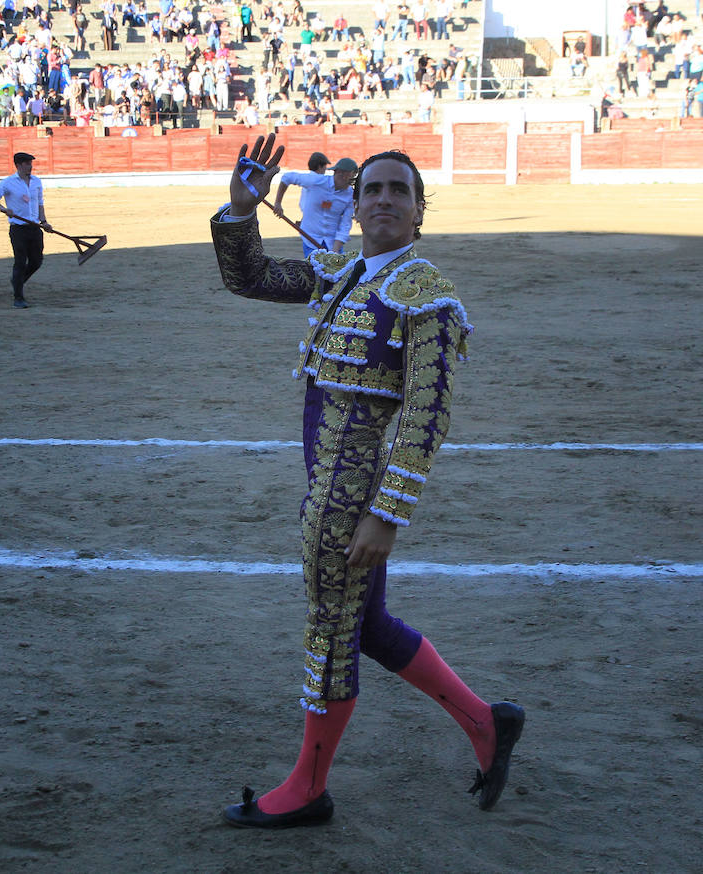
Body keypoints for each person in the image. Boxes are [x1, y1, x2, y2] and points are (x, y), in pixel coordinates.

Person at [210, 133, 525, 829]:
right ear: (355, 207)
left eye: (399, 191)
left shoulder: (428, 294)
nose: (384, 199)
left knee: (331, 627)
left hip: (349, 494)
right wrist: (241, 211)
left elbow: (426, 414)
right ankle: (485, 723)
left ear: (419, 213)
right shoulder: (344, 274)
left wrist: (386, 513)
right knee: (368, 624)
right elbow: (250, 276)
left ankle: (307, 788)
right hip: (327, 477)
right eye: (373, 189)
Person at [0, 152, 53, 308]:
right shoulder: (8, 183)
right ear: (18, 165)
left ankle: (18, 281)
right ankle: (18, 297)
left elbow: (40, 203)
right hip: (18, 229)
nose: (30, 166)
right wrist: (4, 209)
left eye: (31, 163)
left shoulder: (36, 181)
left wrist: (44, 221)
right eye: (27, 163)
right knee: (20, 262)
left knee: (37, 261)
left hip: (35, 228)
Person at [272, 152, 356, 256]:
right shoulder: (316, 181)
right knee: (314, 270)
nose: (353, 180)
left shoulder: (350, 195)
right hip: (310, 240)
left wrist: (335, 251)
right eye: (352, 175)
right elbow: (287, 177)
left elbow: (345, 224)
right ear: (341, 174)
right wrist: (278, 203)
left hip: (333, 243)